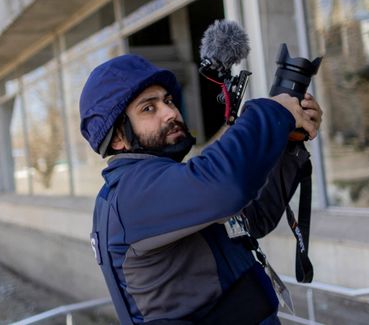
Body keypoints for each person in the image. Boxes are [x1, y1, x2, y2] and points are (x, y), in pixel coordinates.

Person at [79, 53, 322, 324]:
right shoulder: (132, 194)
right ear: (119, 138)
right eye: (149, 108)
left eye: (168, 100)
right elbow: (225, 187)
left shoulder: (164, 184)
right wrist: (271, 112)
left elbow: (251, 220)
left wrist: (287, 142)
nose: (170, 112)